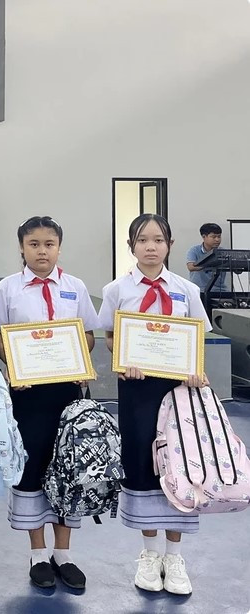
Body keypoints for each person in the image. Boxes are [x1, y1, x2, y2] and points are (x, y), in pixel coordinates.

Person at [99, 213, 210, 595]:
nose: (150, 246)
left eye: (158, 240)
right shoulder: (116, 289)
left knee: (181, 466)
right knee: (144, 465)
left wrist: (197, 370)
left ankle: (174, 557)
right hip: (137, 389)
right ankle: (149, 555)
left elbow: (198, 339)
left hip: (179, 391)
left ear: (169, 245)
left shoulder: (185, 290)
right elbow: (112, 337)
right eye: (142, 240)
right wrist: (122, 357)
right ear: (132, 246)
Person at [0, 216, 99, 590]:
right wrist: (15, 367)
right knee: (32, 468)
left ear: (59, 247)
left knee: (68, 469)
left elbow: (88, 336)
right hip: (28, 394)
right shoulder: (8, 288)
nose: (41, 251)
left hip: (68, 394)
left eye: (49, 244)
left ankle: (63, 554)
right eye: (33, 244)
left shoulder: (75, 287)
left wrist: (81, 361)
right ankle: (38, 553)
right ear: (21, 248)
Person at [186, 223, 228, 293]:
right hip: (199, 290)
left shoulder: (223, 252)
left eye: (219, 236)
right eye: (213, 237)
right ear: (204, 237)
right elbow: (191, 267)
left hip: (220, 290)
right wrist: (211, 265)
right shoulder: (194, 250)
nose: (217, 240)